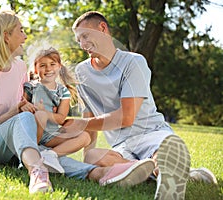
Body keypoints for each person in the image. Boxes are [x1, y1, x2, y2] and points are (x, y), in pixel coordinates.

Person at [0, 9, 156, 195]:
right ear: (6, 36)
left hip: (15, 143)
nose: (25, 36)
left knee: (45, 150)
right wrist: (11, 114)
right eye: (21, 30)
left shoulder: (19, 68)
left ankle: (100, 173)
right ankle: (37, 173)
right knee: (26, 124)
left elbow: (25, 100)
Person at [60, 11, 217, 200]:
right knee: (92, 157)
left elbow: (127, 117)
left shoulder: (133, 62)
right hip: (120, 145)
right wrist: (89, 156)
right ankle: (175, 174)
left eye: (85, 36)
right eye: (78, 40)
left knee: (164, 151)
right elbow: (89, 116)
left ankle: (164, 174)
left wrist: (80, 125)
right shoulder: (82, 71)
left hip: (150, 132)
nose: (82, 45)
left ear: (102, 29)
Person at [23, 47, 91, 173]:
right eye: (43, 65)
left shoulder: (62, 92)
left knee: (86, 137)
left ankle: (50, 155)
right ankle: (34, 150)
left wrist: (46, 113)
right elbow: (22, 104)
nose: (48, 69)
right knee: (40, 116)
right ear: (36, 69)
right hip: (34, 132)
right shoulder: (30, 87)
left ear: (59, 67)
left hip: (51, 136)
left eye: (52, 64)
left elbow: (60, 118)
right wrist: (27, 106)